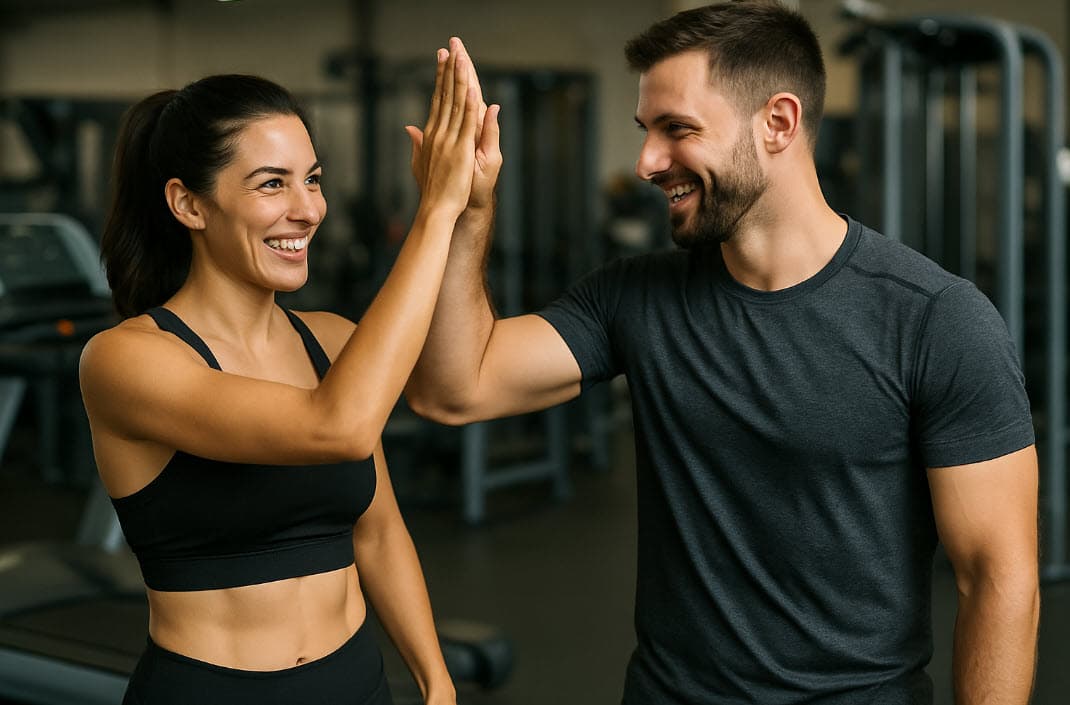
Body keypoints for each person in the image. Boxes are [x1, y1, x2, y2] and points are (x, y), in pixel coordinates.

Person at [404, 3, 1040, 704]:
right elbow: (453, 388)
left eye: (677, 130)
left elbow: (998, 576)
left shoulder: (936, 320)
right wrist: (464, 213)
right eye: (646, 132)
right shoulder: (634, 297)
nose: (647, 162)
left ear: (778, 122)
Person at [78, 38, 498, 705]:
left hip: (355, 682)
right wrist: (435, 210)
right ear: (188, 204)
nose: (307, 209)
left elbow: (378, 529)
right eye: (272, 182)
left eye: (313, 178)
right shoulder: (128, 360)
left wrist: (436, 681)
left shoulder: (332, 341)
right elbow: (338, 427)